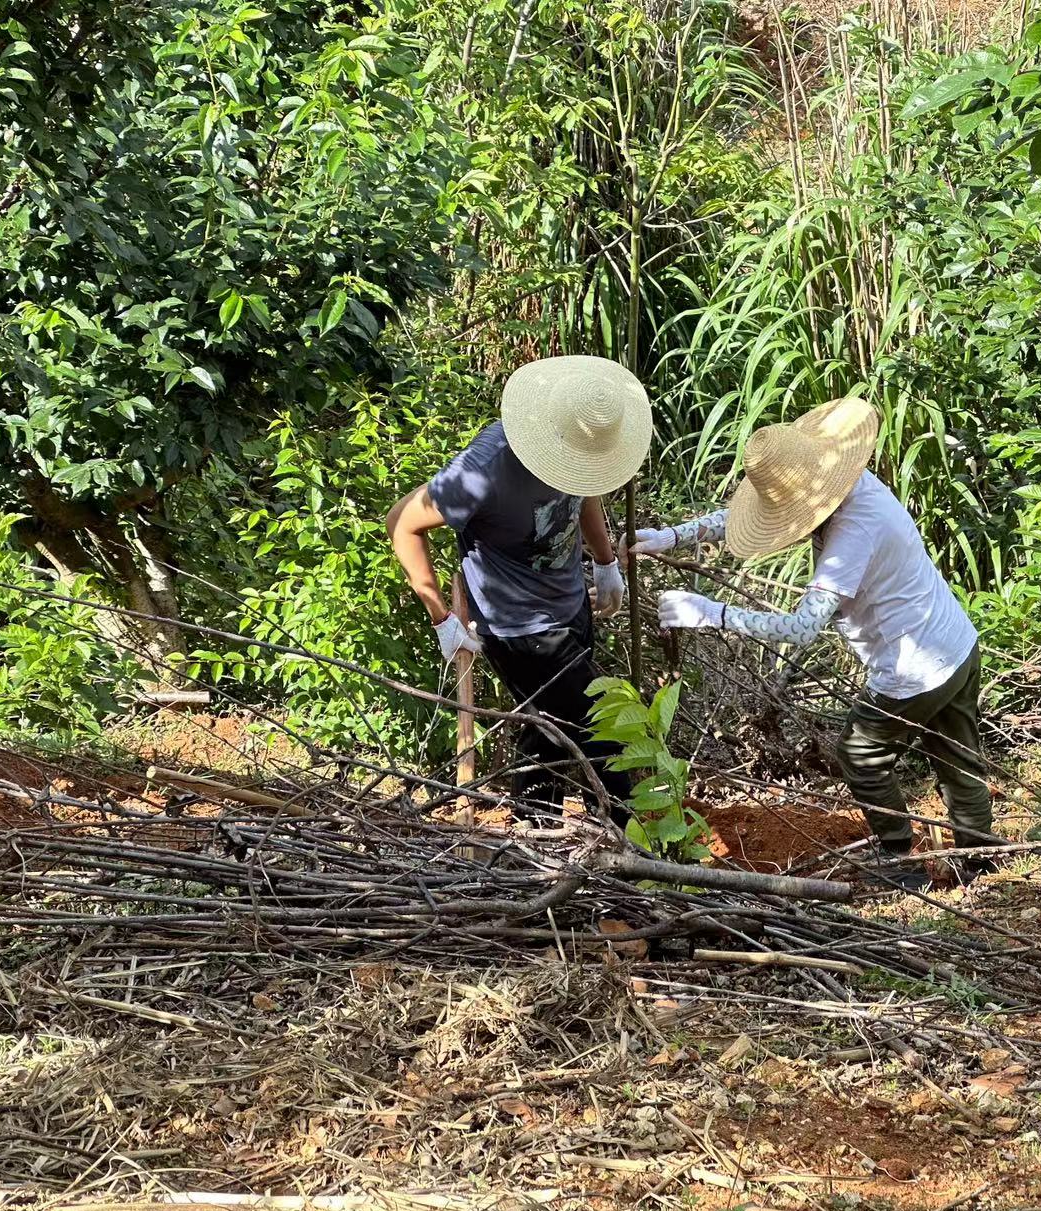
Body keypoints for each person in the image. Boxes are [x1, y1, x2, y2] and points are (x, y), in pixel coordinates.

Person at [632, 397, 997, 889]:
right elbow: (749, 514)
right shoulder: (849, 483)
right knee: (957, 754)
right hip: (954, 641)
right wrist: (674, 536)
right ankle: (982, 858)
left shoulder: (852, 532)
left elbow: (804, 627)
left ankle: (902, 867)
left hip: (913, 665)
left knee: (861, 755)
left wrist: (712, 613)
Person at [387, 355, 652, 821]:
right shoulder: (484, 469)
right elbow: (402, 523)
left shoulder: (581, 448)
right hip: (518, 626)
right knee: (603, 724)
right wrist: (441, 619)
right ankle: (628, 840)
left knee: (548, 724)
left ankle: (535, 823)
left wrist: (605, 561)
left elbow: (584, 489)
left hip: (569, 603)